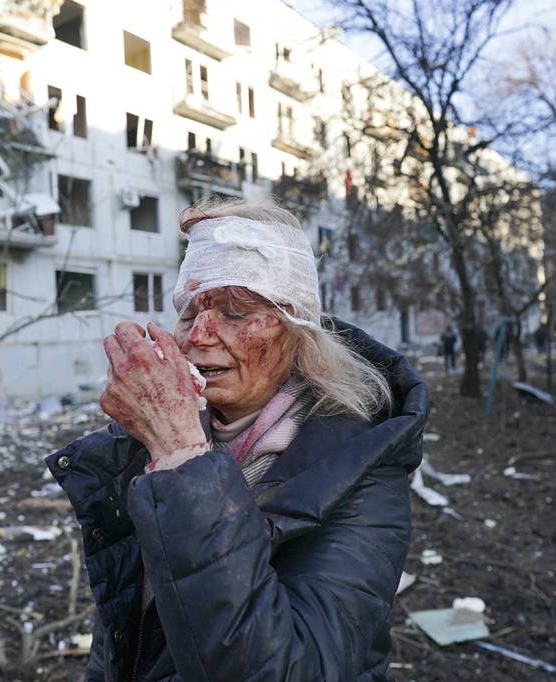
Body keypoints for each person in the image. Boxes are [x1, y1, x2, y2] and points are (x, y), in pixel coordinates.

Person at [46, 201, 429, 681]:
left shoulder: (362, 468)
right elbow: (126, 631)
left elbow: (283, 670)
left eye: (235, 313)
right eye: (188, 315)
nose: (199, 336)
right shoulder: (156, 438)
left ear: (298, 333)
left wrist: (182, 455)